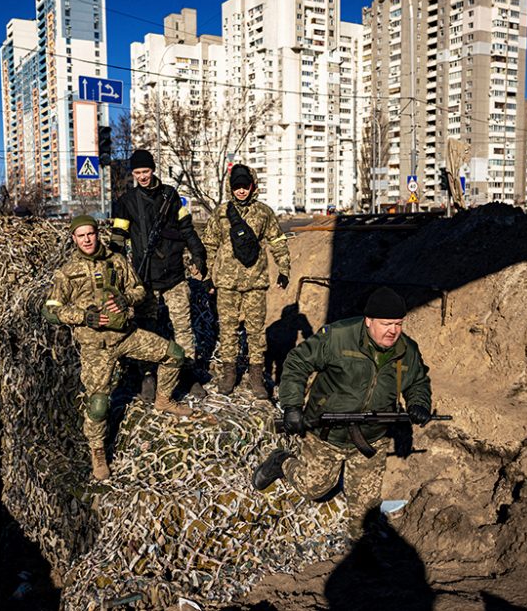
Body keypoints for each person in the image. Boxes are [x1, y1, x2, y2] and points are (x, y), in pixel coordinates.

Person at [252, 286, 433, 540]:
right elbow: (297, 362)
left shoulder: (406, 349)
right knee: (313, 487)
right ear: (368, 320)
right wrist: (292, 405)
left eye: (398, 323)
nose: (393, 331)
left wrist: (419, 403)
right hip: (327, 433)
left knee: (365, 511)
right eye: (386, 323)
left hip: (372, 438)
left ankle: (360, 554)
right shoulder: (338, 337)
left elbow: (418, 382)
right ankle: (281, 460)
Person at [42, 215, 193, 480]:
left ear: (97, 234)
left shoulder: (117, 260)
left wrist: (126, 299)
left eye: (90, 234)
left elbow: (138, 289)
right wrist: (82, 317)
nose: (87, 239)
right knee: (99, 405)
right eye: (81, 236)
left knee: (174, 354)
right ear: (74, 239)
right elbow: (51, 310)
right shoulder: (67, 272)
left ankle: (163, 399)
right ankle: (97, 452)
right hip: (96, 347)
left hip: (126, 335)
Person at [110, 149, 209, 401]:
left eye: (146, 171)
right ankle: (147, 376)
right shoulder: (126, 201)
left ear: (153, 170)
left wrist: (199, 255)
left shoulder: (171, 196)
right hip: (145, 279)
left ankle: (188, 373)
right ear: (132, 174)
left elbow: (187, 229)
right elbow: (118, 240)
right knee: (147, 329)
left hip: (174, 275)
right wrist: (114, 270)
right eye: (137, 173)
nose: (142, 176)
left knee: (183, 328)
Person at [201, 164, 290, 398]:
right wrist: (207, 276)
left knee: (256, 330)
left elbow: (277, 241)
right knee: (228, 329)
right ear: (231, 188)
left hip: (255, 281)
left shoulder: (264, 212)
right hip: (227, 282)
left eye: (245, 186)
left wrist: (284, 269)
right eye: (237, 186)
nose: (241, 191)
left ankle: (256, 376)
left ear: (252, 186)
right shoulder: (221, 213)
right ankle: (229, 373)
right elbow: (209, 245)